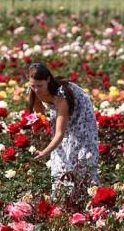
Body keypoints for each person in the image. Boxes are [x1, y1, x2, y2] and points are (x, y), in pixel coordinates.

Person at [26, 63, 100, 200]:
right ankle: (62, 196)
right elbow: (41, 117)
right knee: (60, 156)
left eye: (40, 86)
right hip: (61, 111)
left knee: (80, 152)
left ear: (48, 80)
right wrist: (39, 131)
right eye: (33, 85)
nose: (36, 89)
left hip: (81, 113)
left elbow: (60, 134)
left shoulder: (61, 96)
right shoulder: (34, 90)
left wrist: (45, 152)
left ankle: (86, 195)